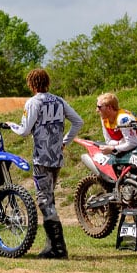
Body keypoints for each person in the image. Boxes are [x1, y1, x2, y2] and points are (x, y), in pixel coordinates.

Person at [6, 67, 83, 259]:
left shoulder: (33, 102)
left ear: (31, 84)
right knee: (49, 199)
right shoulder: (59, 100)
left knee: (44, 200)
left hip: (41, 158)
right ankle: (52, 245)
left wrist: (11, 126)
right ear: (47, 82)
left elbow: (24, 130)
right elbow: (78, 121)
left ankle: (58, 247)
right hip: (56, 158)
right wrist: (65, 141)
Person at [96, 92, 137, 167]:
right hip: (127, 148)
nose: (97, 110)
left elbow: (133, 143)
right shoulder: (104, 118)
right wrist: (120, 143)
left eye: (99, 107)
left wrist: (113, 148)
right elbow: (108, 141)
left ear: (109, 108)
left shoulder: (123, 119)